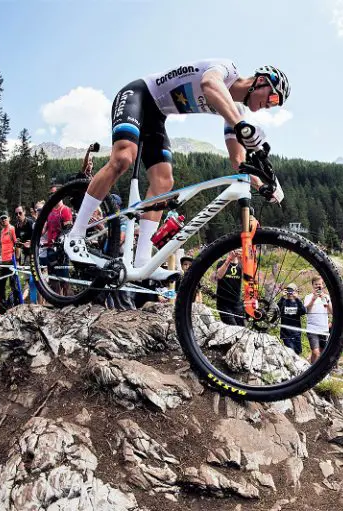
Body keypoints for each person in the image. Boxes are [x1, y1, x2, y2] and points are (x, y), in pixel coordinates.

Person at [64, 61, 290, 273]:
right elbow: (209, 83)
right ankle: (76, 235)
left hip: (157, 116)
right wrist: (240, 125)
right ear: (261, 80)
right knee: (124, 157)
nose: (269, 106)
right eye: (272, 97)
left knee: (164, 182)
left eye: (275, 105)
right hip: (139, 95)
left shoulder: (236, 112)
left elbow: (238, 161)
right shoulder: (227, 69)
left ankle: (142, 261)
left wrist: (262, 185)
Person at [304, 276, 332, 363]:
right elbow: (306, 309)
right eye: (316, 284)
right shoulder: (308, 297)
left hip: (324, 328)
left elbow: (332, 312)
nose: (318, 286)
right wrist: (313, 299)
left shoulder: (326, 297)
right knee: (316, 352)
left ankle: (316, 369)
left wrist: (326, 301)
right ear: (312, 285)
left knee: (323, 352)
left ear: (322, 285)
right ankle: (312, 370)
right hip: (312, 328)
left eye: (319, 284)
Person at [214, 249, 244, 326]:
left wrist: (242, 260)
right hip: (223, 302)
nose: (235, 251)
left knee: (242, 329)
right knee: (232, 328)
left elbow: (249, 277)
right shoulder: (222, 263)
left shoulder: (241, 265)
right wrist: (228, 260)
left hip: (237, 302)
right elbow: (218, 276)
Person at [277, 283, 306, 355]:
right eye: (288, 290)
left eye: (292, 290)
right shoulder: (284, 302)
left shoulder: (297, 302)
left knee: (298, 352)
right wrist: (282, 297)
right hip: (286, 334)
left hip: (296, 333)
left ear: (296, 292)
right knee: (291, 352)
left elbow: (303, 311)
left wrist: (297, 298)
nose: (290, 292)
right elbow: (277, 310)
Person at [0, 212, 18, 303]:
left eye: (5, 218)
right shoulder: (2, 231)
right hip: (3, 261)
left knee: (12, 283)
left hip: (11, 260)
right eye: (2, 218)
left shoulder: (12, 228)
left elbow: (16, 243)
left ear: (9, 218)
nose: (3, 220)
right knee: (1, 283)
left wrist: (17, 259)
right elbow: (2, 245)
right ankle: (3, 302)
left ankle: (16, 301)